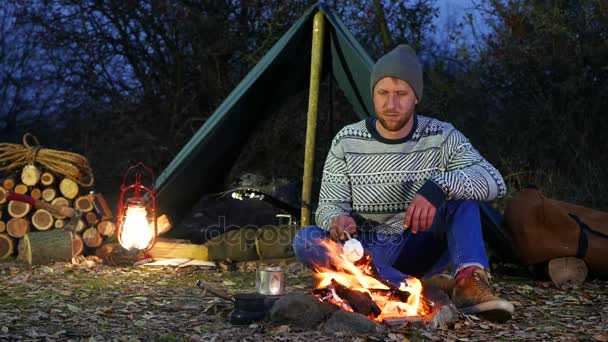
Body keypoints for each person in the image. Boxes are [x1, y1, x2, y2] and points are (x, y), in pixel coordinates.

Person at [293, 45, 514, 323]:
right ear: (372, 94)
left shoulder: (441, 135)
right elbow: (328, 205)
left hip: (419, 241)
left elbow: (494, 180)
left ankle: (469, 285)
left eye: (401, 94)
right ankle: (414, 288)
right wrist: (337, 218)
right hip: (366, 249)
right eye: (382, 93)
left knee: (462, 195)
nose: (391, 104)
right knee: (306, 239)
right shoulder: (347, 141)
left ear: (416, 97)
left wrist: (437, 187)